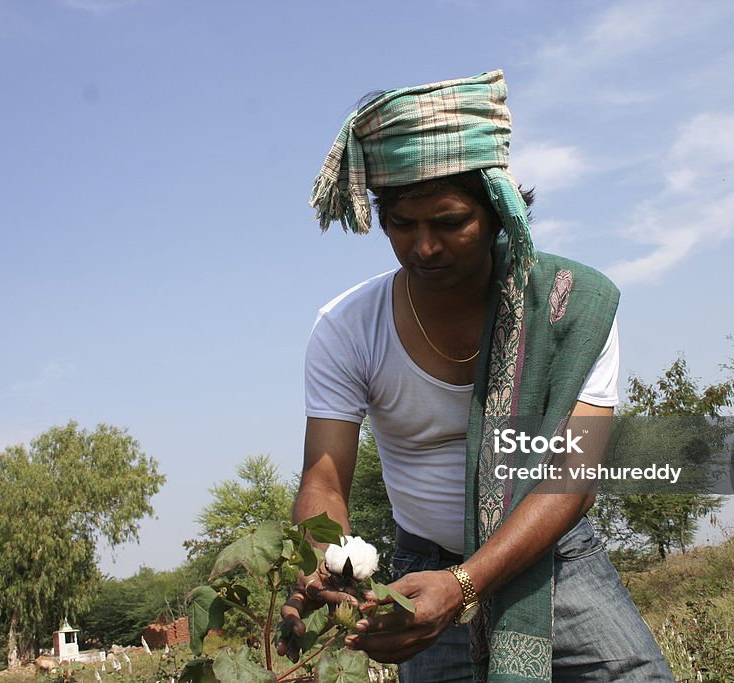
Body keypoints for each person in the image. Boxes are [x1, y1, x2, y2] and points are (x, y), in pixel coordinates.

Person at [279, 70, 673, 682]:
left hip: (555, 557)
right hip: (420, 570)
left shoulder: (571, 308)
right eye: (402, 225)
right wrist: (326, 565)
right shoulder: (347, 328)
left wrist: (465, 585)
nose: (424, 247)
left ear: (500, 212)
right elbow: (324, 480)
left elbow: (574, 476)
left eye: (449, 222)